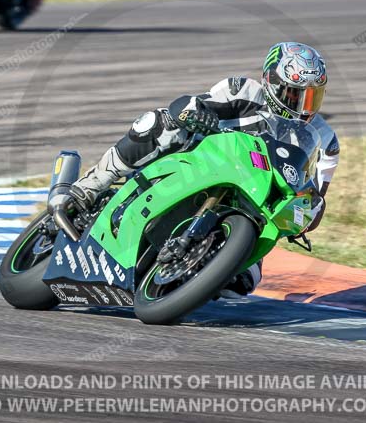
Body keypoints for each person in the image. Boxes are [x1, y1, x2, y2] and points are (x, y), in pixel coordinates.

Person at [57, 42, 340, 297]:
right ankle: (91, 185)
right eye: (295, 94)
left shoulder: (325, 140)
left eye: (312, 97)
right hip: (199, 164)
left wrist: (303, 212)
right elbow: (186, 105)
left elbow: (315, 197)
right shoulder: (243, 91)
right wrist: (196, 113)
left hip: (252, 201)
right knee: (158, 123)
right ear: (272, 83)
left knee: (243, 283)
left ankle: (183, 276)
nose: (304, 106)